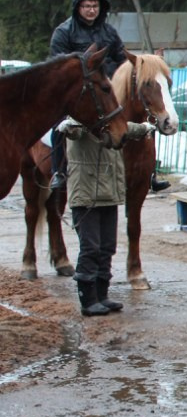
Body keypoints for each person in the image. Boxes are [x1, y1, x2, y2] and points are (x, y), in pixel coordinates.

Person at [58, 116, 152, 317]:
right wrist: (68, 126)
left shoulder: (111, 121)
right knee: (90, 247)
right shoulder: (79, 119)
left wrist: (145, 127)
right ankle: (88, 300)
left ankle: (102, 295)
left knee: (107, 246)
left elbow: (127, 127)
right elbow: (74, 130)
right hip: (86, 195)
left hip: (109, 194)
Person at [48, 0, 128, 192]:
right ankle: (59, 171)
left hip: (107, 90)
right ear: (78, 7)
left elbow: (122, 59)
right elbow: (58, 67)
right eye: (87, 6)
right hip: (75, 94)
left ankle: (149, 171)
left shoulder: (109, 32)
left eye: (95, 6)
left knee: (138, 117)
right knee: (60, 124)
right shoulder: (63, 32)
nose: (92, 10)